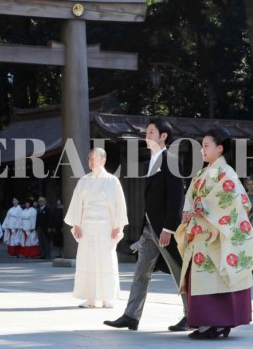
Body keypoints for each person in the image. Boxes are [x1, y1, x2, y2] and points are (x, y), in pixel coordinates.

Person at [175, 127, 253, 339]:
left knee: (218, 275)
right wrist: (189, 210)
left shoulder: (227, 173)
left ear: (220, 148)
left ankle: (215, 323)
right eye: (201, 146)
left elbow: (236, 200)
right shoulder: (203, 172)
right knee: (206, 277)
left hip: (216, 232)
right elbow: (191, 196)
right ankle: (210, 323)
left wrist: (202, 206)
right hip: (202, 232)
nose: (202, 150)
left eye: (206, 146)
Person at [104, 118, 185, 331]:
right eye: (147, 132)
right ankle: (131, 315)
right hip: (149, 229)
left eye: (151, 132)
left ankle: (192, 315)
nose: (147, 135)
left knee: (179, 271)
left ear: (163, 136)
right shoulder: (151, 161)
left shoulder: (171, 159)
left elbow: (176, 197)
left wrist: (169, 228)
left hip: (165, 230)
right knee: (141, 271)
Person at [65, 147, 128, 309]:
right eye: (89, 159)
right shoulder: (83, 181)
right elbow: (77, 204)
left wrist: (118, 226)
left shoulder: (112, 181)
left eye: (95, 158)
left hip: (106, 227)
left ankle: (108, 297)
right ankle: (91, 298)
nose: (91, 162)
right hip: (87, 227)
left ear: (103, 160)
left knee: (107, 261)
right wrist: (76, 224)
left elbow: (119, 205)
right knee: (88, 261)